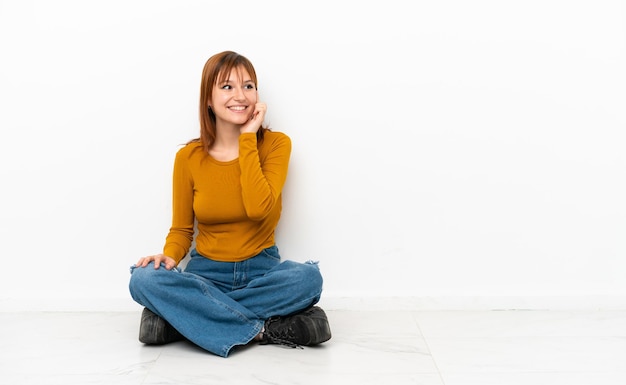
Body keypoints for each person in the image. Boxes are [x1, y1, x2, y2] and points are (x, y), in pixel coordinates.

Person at [128, 50, 331, 358]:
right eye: (227, 87)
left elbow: (258, 208)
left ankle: (183, 320)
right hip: (206, 275)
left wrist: (248, 137)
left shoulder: (276, 145)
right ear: (208, 99)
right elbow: (182, 229)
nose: (241, 96)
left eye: (249, 86)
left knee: (307, 279)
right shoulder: (188, 158)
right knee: (142, 279)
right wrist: (168, 257)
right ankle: (264, 330)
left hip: (262, 273)